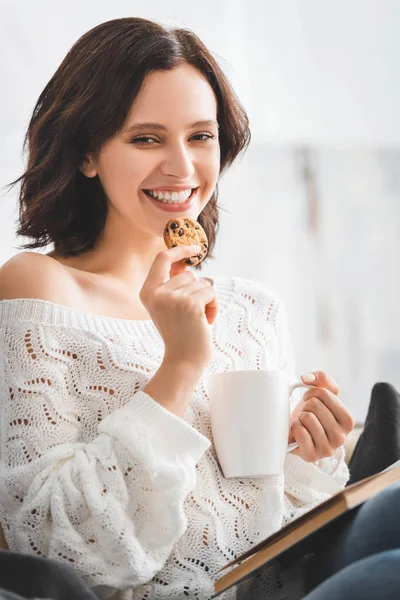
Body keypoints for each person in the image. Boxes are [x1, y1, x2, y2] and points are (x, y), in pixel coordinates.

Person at [0, 16, 359, 600]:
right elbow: (49, 545)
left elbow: (269, 521)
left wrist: (309, 460)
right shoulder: (39, 288)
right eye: (146, 138)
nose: (182, 167)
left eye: (200, 136)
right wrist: (179, 368)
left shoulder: (253, 309)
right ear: (89, 153)